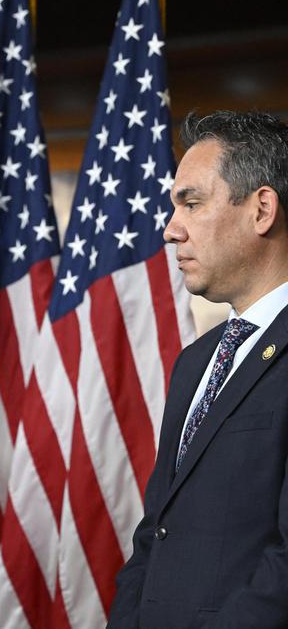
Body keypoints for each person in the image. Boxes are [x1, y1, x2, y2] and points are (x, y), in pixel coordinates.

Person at [109, 111, 288, 628]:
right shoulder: (195, 362)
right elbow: (154, 536)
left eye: (192, 203)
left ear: (261, 210)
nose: (170, 230)